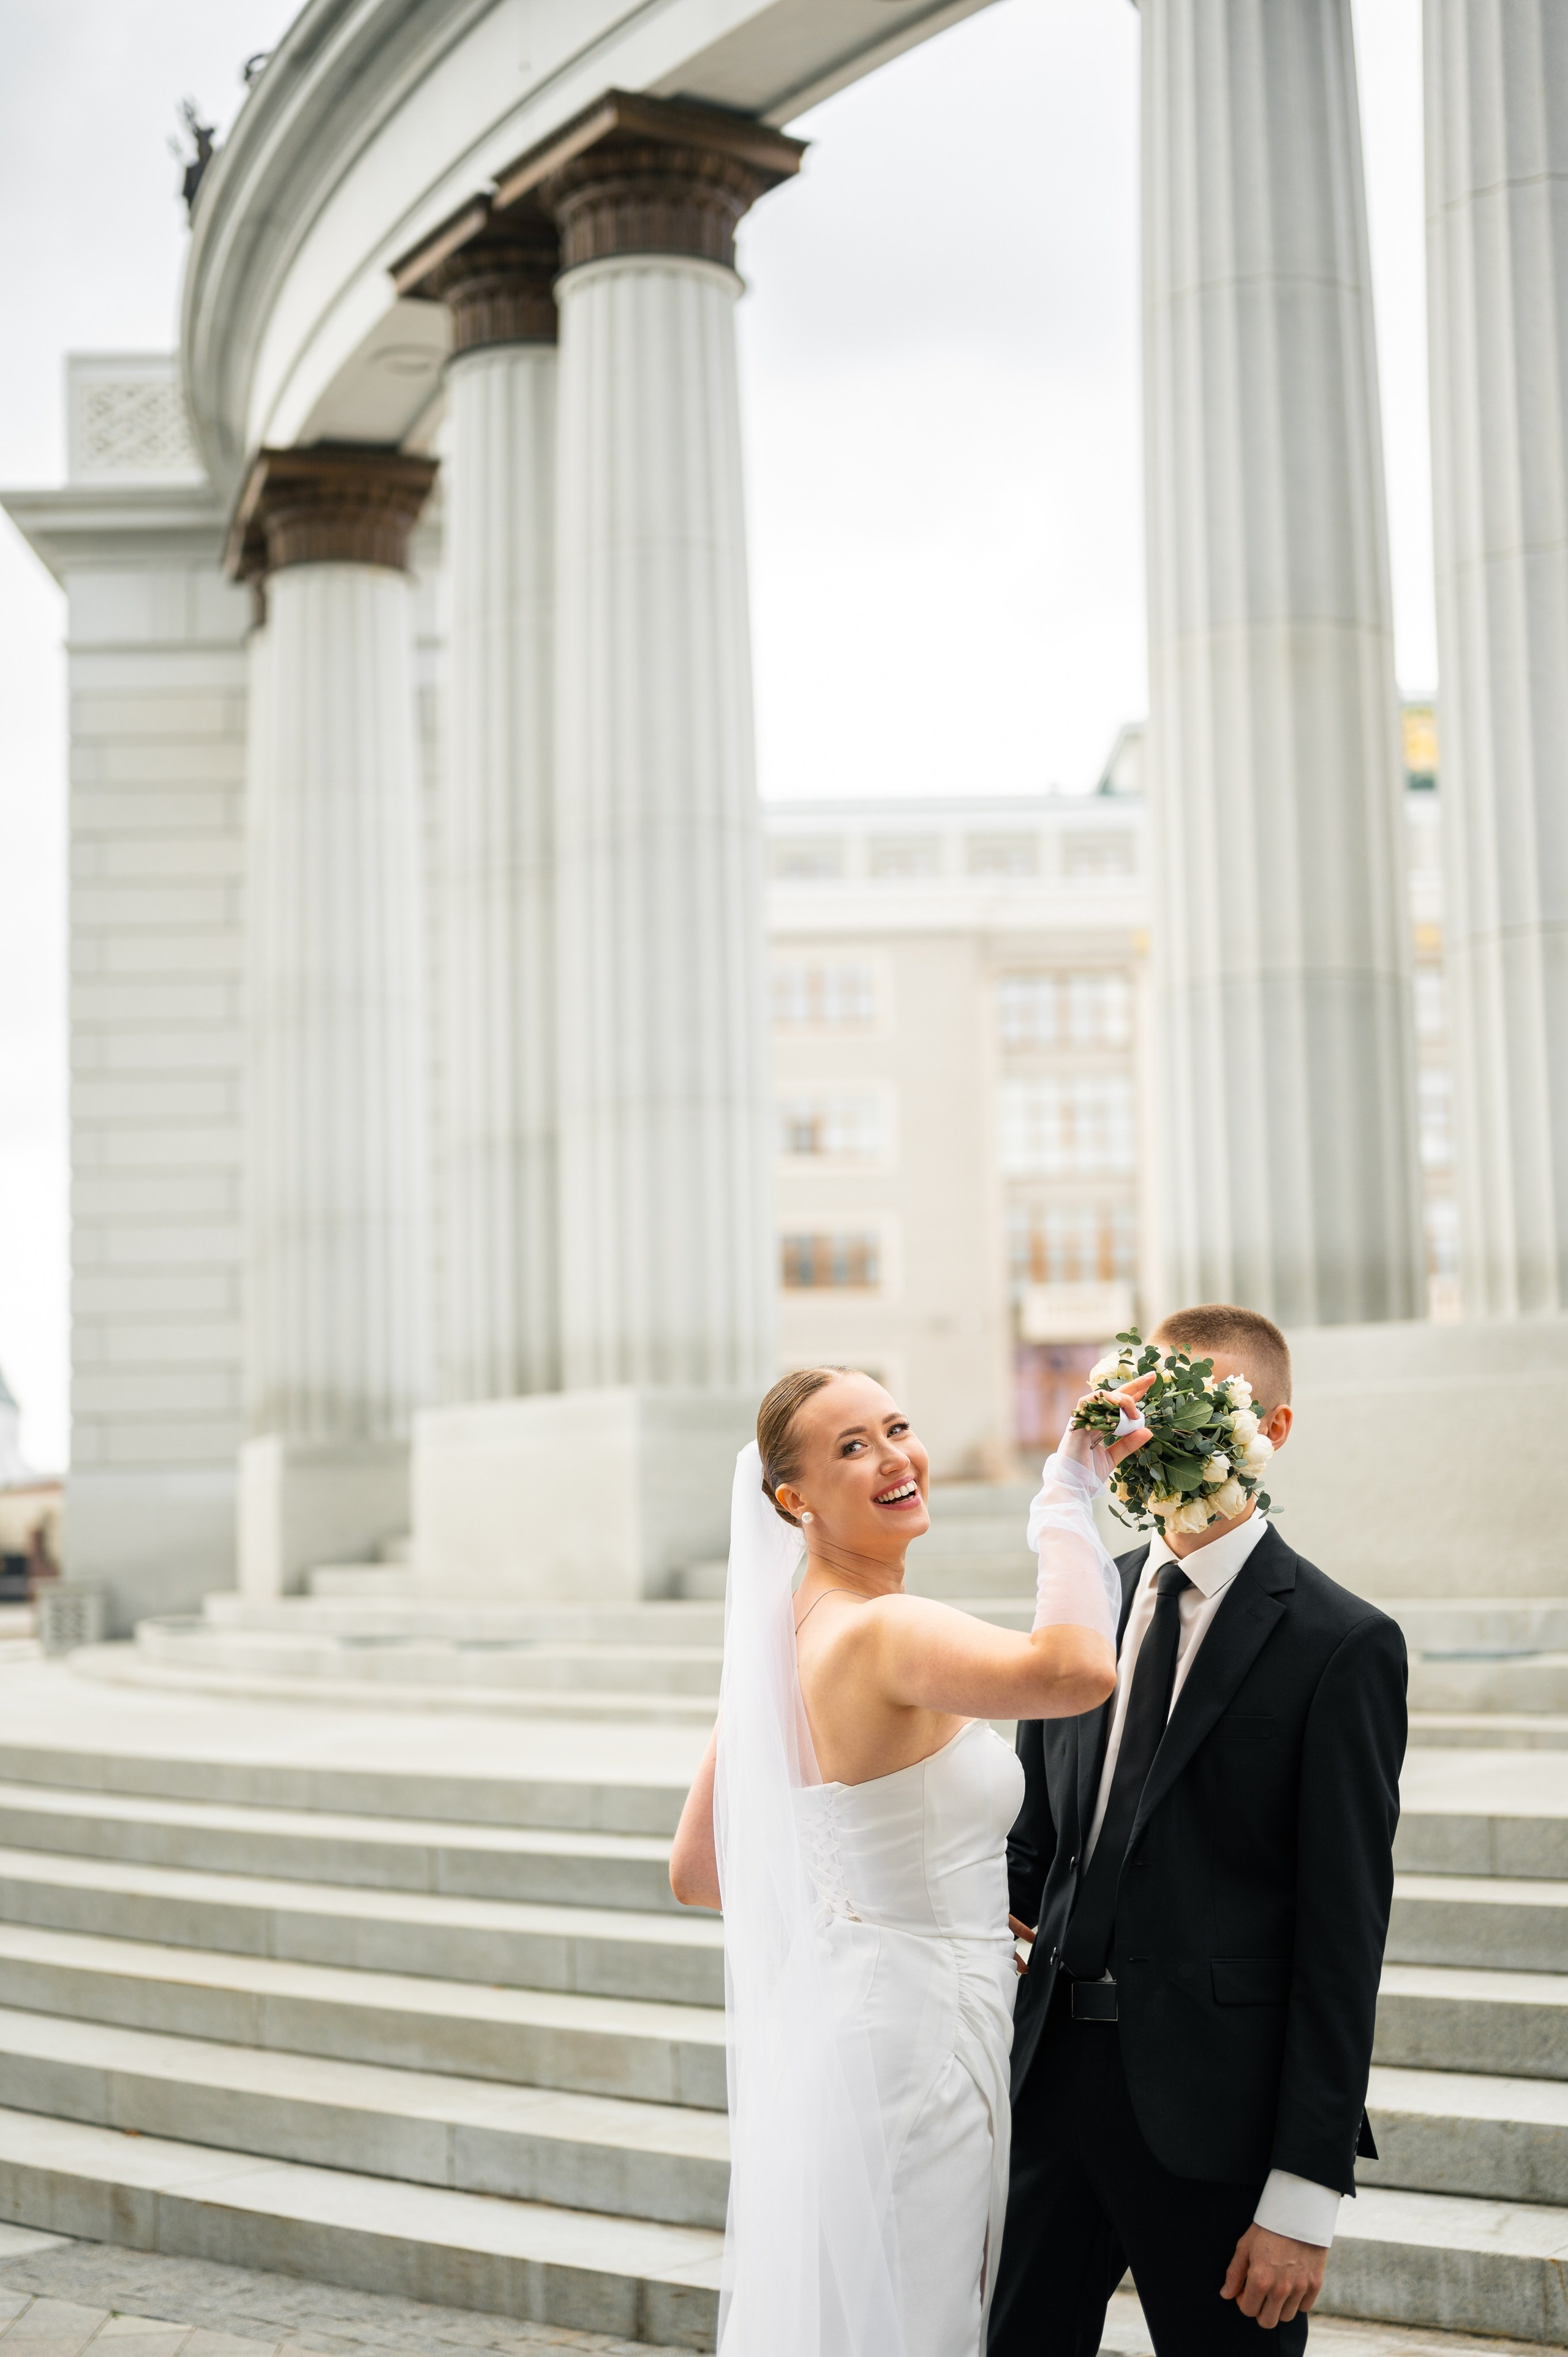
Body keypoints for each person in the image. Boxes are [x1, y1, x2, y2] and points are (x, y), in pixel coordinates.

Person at [668, 1363, 1146, 2357]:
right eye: (852, 1448)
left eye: (896, 1427)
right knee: (920, 2317)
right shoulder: (883, 1628)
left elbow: (702, 1872)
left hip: (846, 2020)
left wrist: (898, 1897)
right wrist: (1067, 1497)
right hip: (919, 2033)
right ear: (791, 1499)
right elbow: (1076, 1670)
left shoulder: (777, 1635)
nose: (893, 1459)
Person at [989, 1303, 1408, 2357]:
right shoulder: (1090, 1610)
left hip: (1215, 2121)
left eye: (1201, 1410)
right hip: (1046, 2095)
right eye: (1145, 1409)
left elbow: (1343, 1935)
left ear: (1275, 1428)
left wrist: (1303, 2196)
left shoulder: (1341, 1643)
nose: (1162, 1440)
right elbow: (1031, 1847)